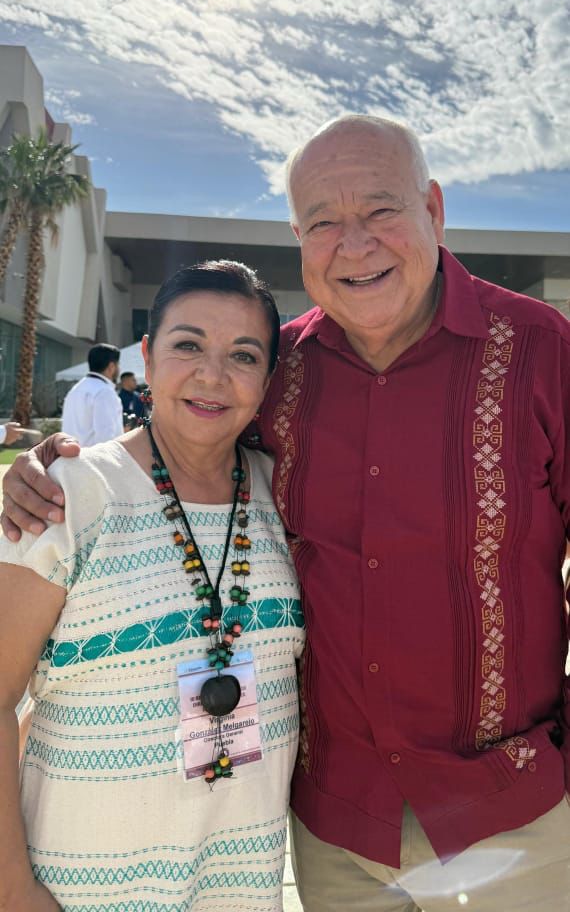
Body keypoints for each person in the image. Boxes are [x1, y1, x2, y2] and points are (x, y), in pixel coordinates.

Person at [3, 115, 569, 911]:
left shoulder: (543, 348)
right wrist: (53, 466)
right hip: (337, 829)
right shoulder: (280, 368)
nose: (355, 244)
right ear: (299, 236)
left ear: (434, 210)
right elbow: (185, 438)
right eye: (324, 221)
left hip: (516, 818)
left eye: (380, 209)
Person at [0, 261, 304, 911]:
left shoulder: (286, 492)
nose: (212, 375)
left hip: (240, 886)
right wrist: (12, 890)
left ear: (268, 379)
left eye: (243, 355)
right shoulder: (69, 494)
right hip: (80, 888)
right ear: (147, 354)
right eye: (187, 345)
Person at [60, 343, 123, 446]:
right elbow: (106, 438)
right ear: (111, 367)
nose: (119, 368)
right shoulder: (104, 392)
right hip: (95, 455)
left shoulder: (75, 389)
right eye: (118, 364)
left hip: (71, 453)